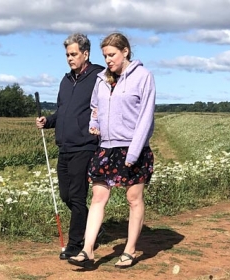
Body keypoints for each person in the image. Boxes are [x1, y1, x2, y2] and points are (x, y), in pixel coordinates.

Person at [68, 32, 156, 269]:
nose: (107, 60)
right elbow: (95, 106)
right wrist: (94, 125)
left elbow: (146, 117)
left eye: (112, 55)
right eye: (105, 55)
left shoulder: (143, 77)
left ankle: (129, 251)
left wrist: (134, 152)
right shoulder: (101, 79)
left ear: (125, 51)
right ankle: (87, 250)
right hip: (105, 147)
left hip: (131, 147)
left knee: (133, 198)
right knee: (98, 196)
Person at [36, 33, 106, 260]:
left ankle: (76, 244)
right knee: (66, 195)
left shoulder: (98, 76)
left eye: (73, 54)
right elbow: (62, 112)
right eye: (67, 54)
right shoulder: (66, 81)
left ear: (85, 54)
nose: (69, 58)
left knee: (77, 196)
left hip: (85, 145)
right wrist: (48, 121)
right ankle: (91, 225)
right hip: (64, 146)